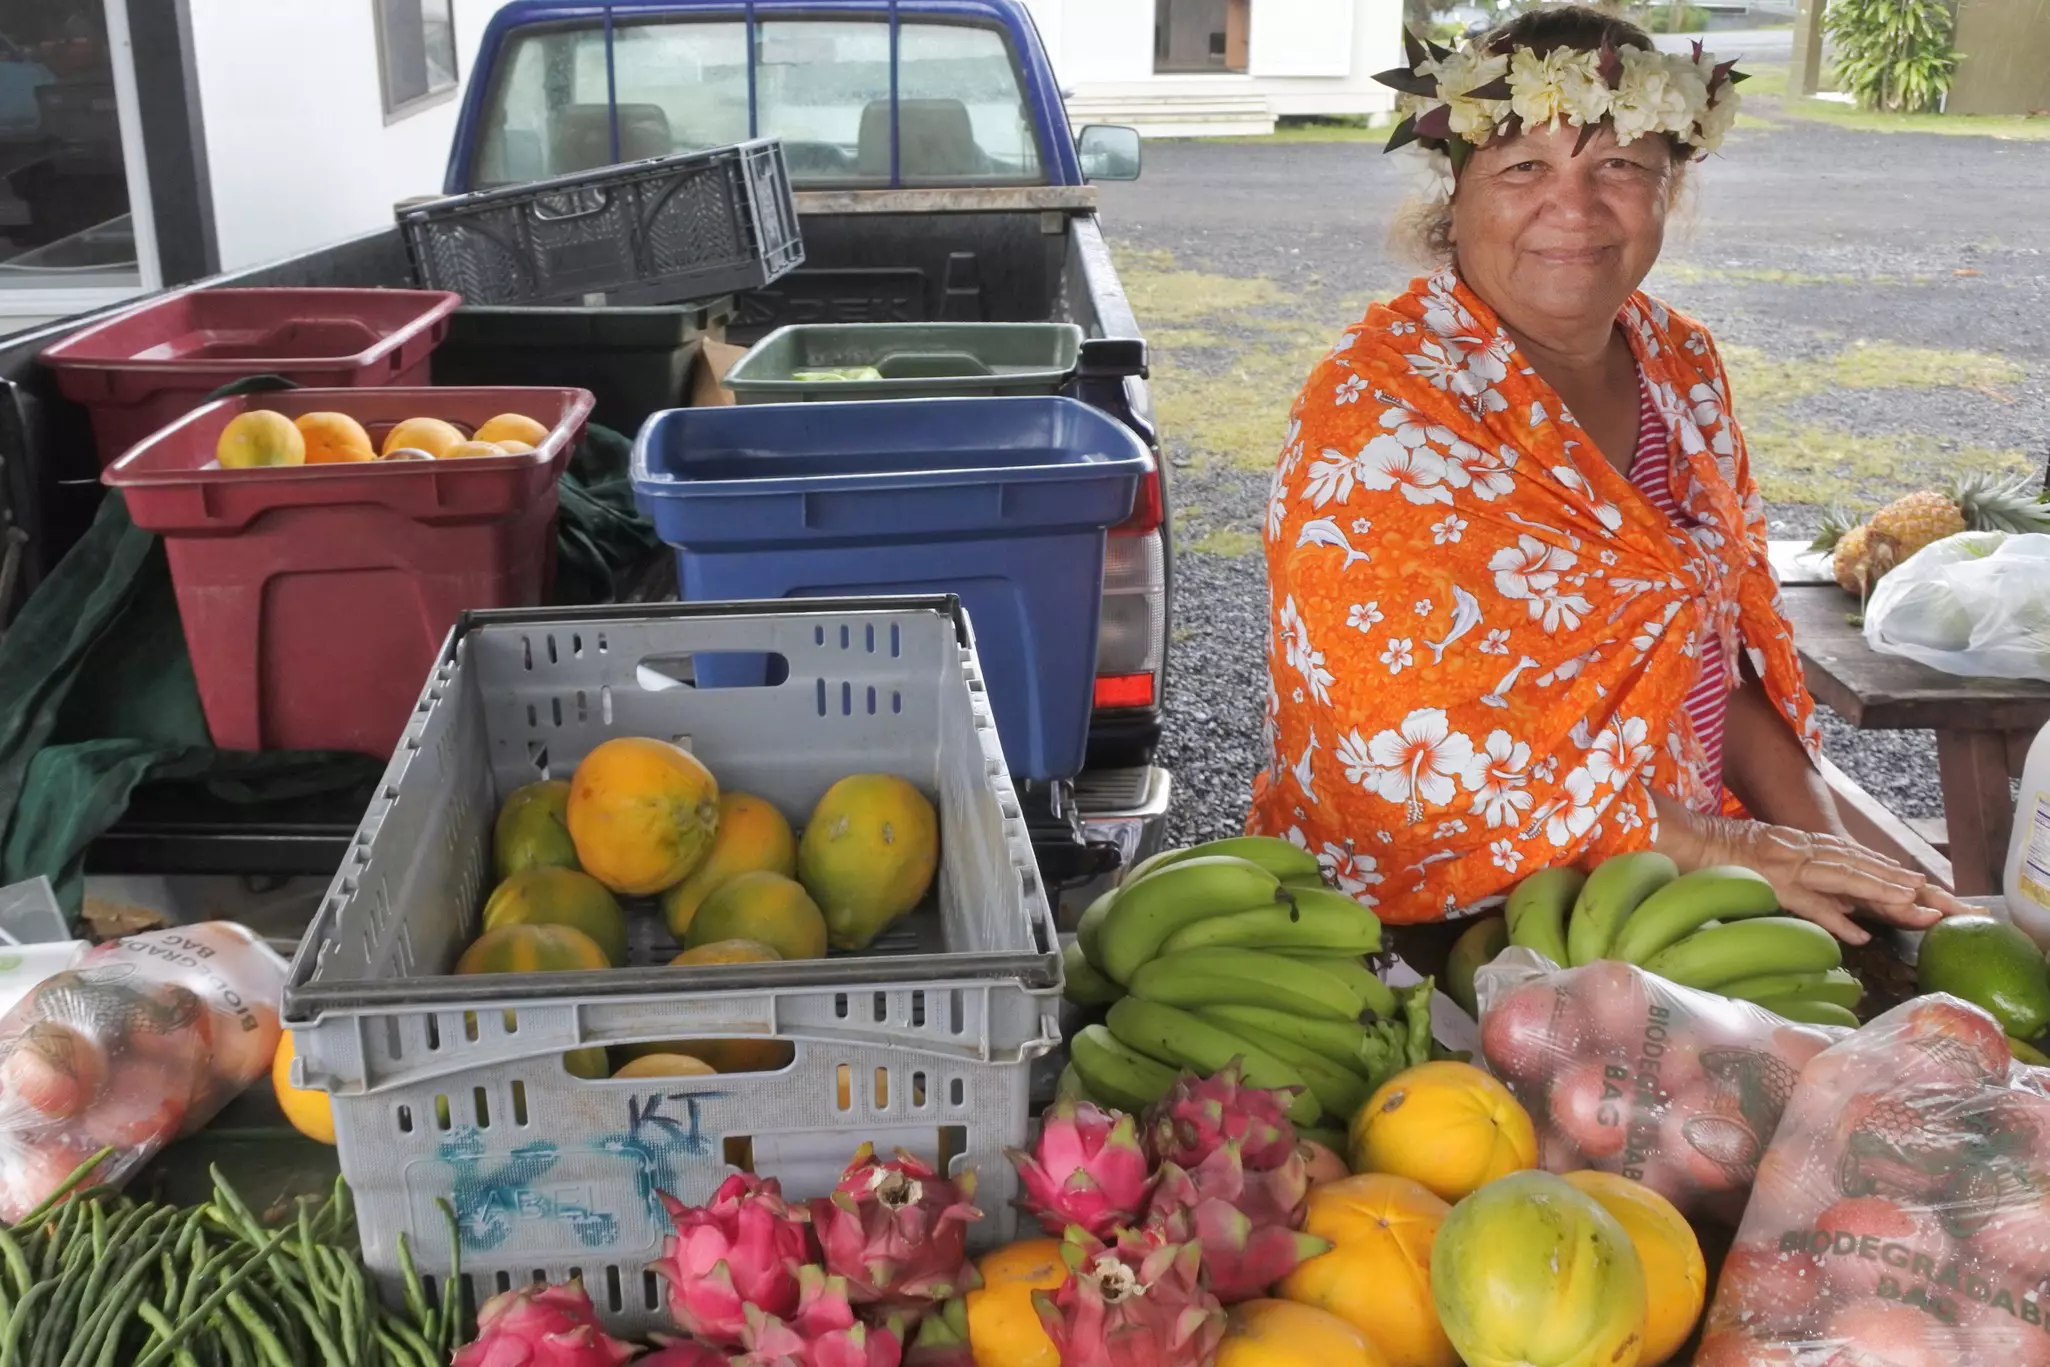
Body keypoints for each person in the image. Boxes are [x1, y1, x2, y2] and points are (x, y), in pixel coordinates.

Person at [1250, 4, 1967, 940]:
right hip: (1441, 922)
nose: (1576, 209)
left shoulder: (1679, 364)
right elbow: (1393, 749)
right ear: (1455, 196)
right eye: (1524, 169)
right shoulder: (1380, 409)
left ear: (1671, 184)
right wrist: (1734, 850)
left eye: (1620, 166)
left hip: (1668, 892)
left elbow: (1716, 648)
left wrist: (1826, 841)